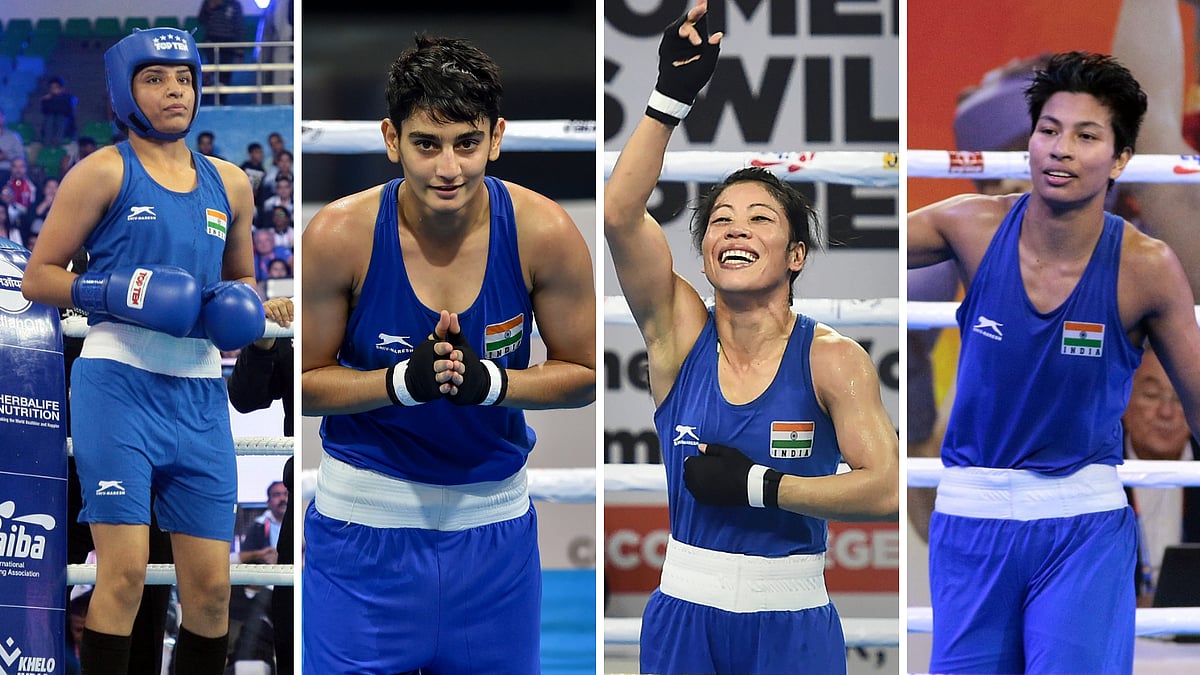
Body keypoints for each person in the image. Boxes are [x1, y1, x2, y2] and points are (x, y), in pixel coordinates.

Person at [603, 3, 899, 673]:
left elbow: (883, 488)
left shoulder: (832, 360)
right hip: (684, 608)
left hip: (791, 617)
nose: (734, 229)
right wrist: (667, 98)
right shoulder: (678, 335)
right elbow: (620, 215)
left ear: (795, 254)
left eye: (759, 218)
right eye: (720, 220)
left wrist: (761, 484)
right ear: (705, 249)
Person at [300, 34, 596, 673]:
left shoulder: (544, 232)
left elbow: (585, 373)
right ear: (391, 138)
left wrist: (491, 384)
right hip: (363, 538)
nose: (448, 168)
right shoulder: (339, 235)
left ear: (495, 137)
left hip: (493, 541)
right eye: (427, 144)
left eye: (466, 143)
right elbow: (303, 383)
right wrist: (401, 382)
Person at [907, 51, 1200, 674]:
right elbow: (835, 233)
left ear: (1120, 159)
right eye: (1049, 130)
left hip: (1083, 526)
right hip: (971, 517)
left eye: (1087, 135)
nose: (1061, 148)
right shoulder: (968, 225)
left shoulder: (1146, 268)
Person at [20, 28, 264, 675]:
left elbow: (240, 279)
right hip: (118, 385)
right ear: (127, 90)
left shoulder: (232, 184)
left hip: (200, 395)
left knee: (211, 591)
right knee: (123, 576)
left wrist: (251, 304)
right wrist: (119, 290)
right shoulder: (102, 171)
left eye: (183, 77)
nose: (174, 90)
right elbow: (39, 274)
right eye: (155, 78)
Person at [226, 294, 293, 674]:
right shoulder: (295, 318)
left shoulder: (378, 310)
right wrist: (264, 338)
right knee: (287, 630)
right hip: (307, 496)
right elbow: (245, 398)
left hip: (372, 485)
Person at [1122, 345, 1200, 606]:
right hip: (1121, 624)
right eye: (1152, 395)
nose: (1166, 413)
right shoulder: (1100, 466)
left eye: (1180, 398)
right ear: (1124, 399)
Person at [196, 0, 244, 91]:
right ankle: (206, 98)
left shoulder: (234, 4)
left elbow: (239, 26)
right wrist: (209, 8)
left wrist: (240, 49)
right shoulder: (208, 2)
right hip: (211, 41)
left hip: (228, 43)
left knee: (225, 73)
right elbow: (201, 20)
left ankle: (222, 100)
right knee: (208, 71)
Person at [41, 75, 78, 147]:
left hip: (66, 126)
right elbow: (45, 110)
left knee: (60, 117)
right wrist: (48, 99)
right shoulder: (47, 99)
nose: (54, 90)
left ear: (62, 88)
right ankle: (47, 145)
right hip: (51, 123)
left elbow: (68, 110)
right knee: (50, 117)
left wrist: (56, 98)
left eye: (56, 87)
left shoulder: (69, 98)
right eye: (52, 88)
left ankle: (57, 144)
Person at [0, 108, 26, 186]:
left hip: (8, 170)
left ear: (3, 118)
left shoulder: (13, 136)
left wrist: (6, 156)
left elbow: (21, 156)